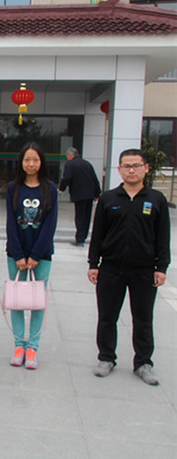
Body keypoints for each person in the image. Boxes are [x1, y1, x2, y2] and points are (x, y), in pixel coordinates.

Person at [88, 149, 170, 386]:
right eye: (126, 166)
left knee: (143, 319)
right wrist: (94, 264)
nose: (131, 170)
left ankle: (143, 362)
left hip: (144, 270)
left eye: (136, 165)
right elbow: (98, 234)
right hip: (111, 268)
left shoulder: (156, 199)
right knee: (107, 317)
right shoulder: (108, 199)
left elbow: (163, 236)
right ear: (119, 169)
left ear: (146, 168)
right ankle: (106, 357)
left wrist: (161, 267)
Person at [5, 141, 58, 370]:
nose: (31, 164)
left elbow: (50, 225)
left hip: (41, 254)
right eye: (27, 159)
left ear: (41, 162)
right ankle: (19, 346)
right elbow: (10, 223)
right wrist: (18, 254)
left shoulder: (50, 189)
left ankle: (33, 348)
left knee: (37, 302)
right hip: (16, 253)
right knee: (17, 301)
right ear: (21, 162)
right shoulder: (12, 188)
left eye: (35, 159)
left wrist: (36, 254)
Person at [59, 147, 101, 246]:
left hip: (79, 194)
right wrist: (97, 194)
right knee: (86, 217)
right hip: (89, 194)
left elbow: (66, 178)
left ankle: (80, 240)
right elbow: (94, 179)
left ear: (70, 155)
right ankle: (82, 238)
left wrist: (61, 188)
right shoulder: (87, 164)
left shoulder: (70, 164)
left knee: (80, 217)